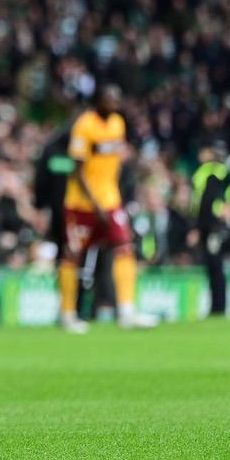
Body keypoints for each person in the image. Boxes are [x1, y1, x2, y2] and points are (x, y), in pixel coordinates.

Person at [57, 84, 158, 332]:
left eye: (116, 99)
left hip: (110, 200)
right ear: (98, 101)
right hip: (81, 203)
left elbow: (113, 164)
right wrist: (95, 203)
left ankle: (126, 311)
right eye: (109, 99)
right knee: (72, 255)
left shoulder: (117, 124)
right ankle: (67, 314)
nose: (114, 104)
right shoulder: (84, 126)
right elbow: (78, 170)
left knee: (124, 247)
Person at [190, 142, 230, 316]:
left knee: (214, 265)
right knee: (214, 265)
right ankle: (217, 306)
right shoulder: (222, 171)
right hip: (214, 222)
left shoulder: (209, 172)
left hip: (212, 223)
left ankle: (218, 307)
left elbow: (205, 202)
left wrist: (198, 228)